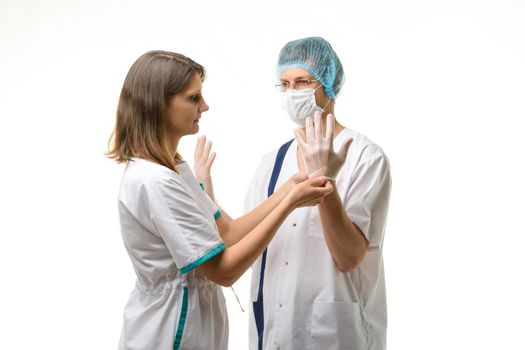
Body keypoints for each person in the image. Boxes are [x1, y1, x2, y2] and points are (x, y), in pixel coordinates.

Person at [106, 50, 333, 350]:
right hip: (168, 332)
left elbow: (227, 231)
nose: (205, 106)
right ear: (159, 104)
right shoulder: (156, 182)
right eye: (193, 98)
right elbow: (223, 270)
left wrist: (286, 191)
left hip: (195, 327)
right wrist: (289, 204)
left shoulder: (173, 168)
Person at [244, 37, 392, 350]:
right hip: (273, 330)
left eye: (302, 82)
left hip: (336, 334)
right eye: (284, 84)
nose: (291, 93)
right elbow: (247, 241)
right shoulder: (272, 163)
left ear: (328, 83)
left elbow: (349, 256)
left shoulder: (366, 157)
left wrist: (326, 182)